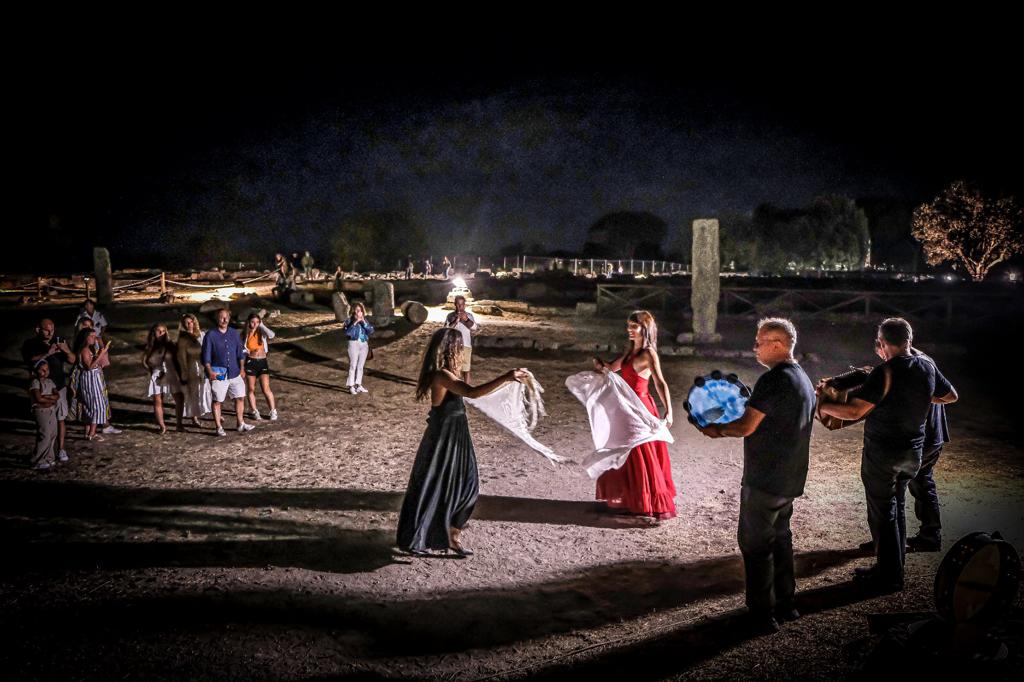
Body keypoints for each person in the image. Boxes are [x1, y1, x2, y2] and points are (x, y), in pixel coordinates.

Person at [819, 318, 957, 592]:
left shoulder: (885, 372)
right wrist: (916, 398)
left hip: (883, 454)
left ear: (882, 343)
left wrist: (823, 405)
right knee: (896, 508)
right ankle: (894, 569)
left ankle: (889, 576)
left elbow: (855, 411)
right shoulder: (927, 365)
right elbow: (950, 396)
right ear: (910, 339)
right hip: (913, 452)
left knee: (883, 513)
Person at [698, 318, 816, 634]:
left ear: (777, 344)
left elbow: (747, 425)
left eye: (760, 341)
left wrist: (717, 429)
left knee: (756, 545)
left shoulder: (774, 380)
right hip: (790, 479)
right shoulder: (802, 378)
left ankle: (762, 614)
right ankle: (786, 605)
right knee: (781, 541)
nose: (755, 347)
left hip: (765, 479)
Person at [396, 327, 528, 556]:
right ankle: (417, 539)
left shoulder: (452, 373)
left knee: (469, 485)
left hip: (458, 436)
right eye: (459, 347)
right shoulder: (441, 376)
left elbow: (469, 385)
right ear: (450, 349)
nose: (463, 351)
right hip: (442, 439)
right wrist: (506, 377)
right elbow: (473, 392)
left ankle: (453, 536)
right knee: (433, 486)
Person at [591, 310, 676, 521]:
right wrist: (601, 365)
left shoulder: (648, 353)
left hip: (642, 407)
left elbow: (659, 382)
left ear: (644, 329)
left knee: (640, 452)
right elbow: (611, 369)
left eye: (634, 326)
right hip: (626, 408)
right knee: (624, 451)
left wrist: (669, 411)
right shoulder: (630, 353)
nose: (629, 330)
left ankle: (646, 501)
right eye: (628, 326)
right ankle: (630, 498)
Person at [21, 318, 74, 462]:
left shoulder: (59, 340)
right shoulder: (31, 344)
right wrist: (48, 353)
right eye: (46, 329)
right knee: (45, 425)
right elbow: (29, 361)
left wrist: (66, 350)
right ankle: (43, 455)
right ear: (38, 330)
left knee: (60, 419)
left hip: (59, 385)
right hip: (42, 388)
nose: (50, 332)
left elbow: (72, 360)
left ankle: (61, 449)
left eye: (52, 329)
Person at [201, 308, 254, 437]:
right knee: (218, 400)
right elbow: (205, 356)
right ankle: (218, 427)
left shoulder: (234, 333)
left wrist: (242, 368)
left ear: (229, 319)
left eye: (226, 317)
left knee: (240, 397)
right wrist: (210, 372)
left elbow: (240, 352)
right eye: (221, 317)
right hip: (219, 371)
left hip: (235, 371)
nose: (224, 320)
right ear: (217, 319)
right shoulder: (210, 335)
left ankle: (240, 423)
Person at [73, 326, 114, 441]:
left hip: (93, 378)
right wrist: (101, 354)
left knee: (90, 405)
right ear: (85, 338)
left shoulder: (88, 348)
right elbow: (89, 366)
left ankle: (88, 432)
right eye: (91, 336)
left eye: (94, 336)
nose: (93, 338)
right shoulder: (85, 350)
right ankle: (92, 433)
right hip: (90, 380)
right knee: (97, 404)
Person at [143, 323, 184, 434]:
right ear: (154, 333)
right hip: (157, 374)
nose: (161, 333)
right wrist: (153, 370)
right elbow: (145, 362)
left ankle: (179, 424)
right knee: (157, 400)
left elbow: (178, 360)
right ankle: (162, 426)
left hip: (171, 373)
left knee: (179, 398)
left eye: (163, 331)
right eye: (158, 331)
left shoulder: (171, 345)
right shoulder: (150, 346)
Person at [176, 314, 211, 426]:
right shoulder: (183, 339)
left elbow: (207, 350)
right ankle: (194, 418)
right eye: (186, 323)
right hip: (191, 367)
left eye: (191, 322)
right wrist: (184, 372)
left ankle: (212, 412)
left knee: (206, 390)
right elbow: (181, 357)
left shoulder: (201, 335)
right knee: (193, 393)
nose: (189, 325)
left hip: (202, 366)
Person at [242, 312, 278, 420]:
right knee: (251, 389)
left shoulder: (261, 331)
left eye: (257, 322)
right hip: (250, 362)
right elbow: (239, 347)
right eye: (253, 322)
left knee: (266, 388)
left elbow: (272, 335)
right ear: (249, 322)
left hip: (262, 362)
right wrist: (246, 351)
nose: (255, 324)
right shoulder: (244, 333)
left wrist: (262, 325)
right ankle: (254, 411)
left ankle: (273, 411)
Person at [29, 359, 61, 469]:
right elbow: (38, 398)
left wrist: (46, 398)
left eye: (47, 370)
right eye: (42, 370)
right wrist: (51, 399)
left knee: (53, 433)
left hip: (51, 410)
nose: (45, 372)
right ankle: (37, 460)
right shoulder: (35, 382)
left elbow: (57, 395)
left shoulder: (50, 382)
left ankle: (49, 457)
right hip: (41, 412)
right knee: (45, 435)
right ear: (37, 370)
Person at [445, 295, 478, 383]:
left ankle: (466, 389)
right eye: (458, 304)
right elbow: (446, 329)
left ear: (465, 305)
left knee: (466, 370)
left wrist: (466, 319)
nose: (460, 306)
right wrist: (455, 321)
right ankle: (455, 388)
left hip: (466, 345)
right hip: (454, 345)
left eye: (462, 304)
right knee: (454, 368)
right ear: (455, 304)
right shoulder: (450, 316)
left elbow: (474, 328)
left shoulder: (469, 315)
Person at [343, 302, 374, 395]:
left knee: (360, 367)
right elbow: (347, 333)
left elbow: (371, 330)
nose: (358, 312)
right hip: (353, 344)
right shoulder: (349, 321)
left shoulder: (365, 320)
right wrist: (355, 322)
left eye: (360, 310)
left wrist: (363, 322)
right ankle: (351, 386)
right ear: (353, 311)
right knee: (353, 365)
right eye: (356, 310)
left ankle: (358, 385)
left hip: (364, 344)